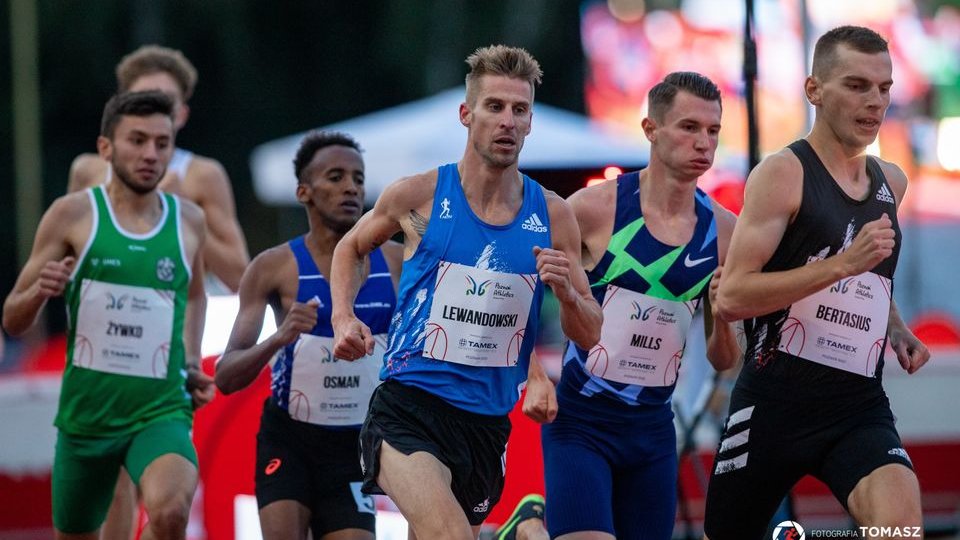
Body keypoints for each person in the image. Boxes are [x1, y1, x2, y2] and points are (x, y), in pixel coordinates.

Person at [329, 45, 602, 540]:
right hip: (409, 406)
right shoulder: (420, 196)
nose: (507, 122)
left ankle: (506, 533)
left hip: (486, 423)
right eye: (494, 107)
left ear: (531, 122)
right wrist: (343, 318)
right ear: (466, 114)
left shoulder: (554, 215)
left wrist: (566, 296)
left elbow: (590, 331)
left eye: (520, 110)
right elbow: (351, 248)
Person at [704, 26, 929, 539]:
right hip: (774, 403)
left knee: (900, 527)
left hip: (856, 403)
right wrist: (842, 265)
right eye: (856, 86)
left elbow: (868, 274)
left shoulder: (891, 181)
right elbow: (735, 295)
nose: (875, 102)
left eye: (884, 88)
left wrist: (894, 326)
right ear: (814, 91)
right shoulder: (782, 174)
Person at [498, 72, 741, 540]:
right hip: (581, 422)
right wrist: (531, 374)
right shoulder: (594, 208)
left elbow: (724, 359)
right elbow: (516, 288)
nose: (703, 144)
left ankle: (528, 533)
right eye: (689, 127)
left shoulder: (725, 233)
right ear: (651, 129)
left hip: (652, 432)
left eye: (713, 131)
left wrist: (725, 318)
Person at [2, 91, 214, 540]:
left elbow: (195, 296)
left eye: (162, 143)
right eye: (137, 140)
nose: (151, 154)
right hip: (88, 418)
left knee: (171, 511)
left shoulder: (189, 221)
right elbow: (12, 319)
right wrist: (41, 292)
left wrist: (191, 359)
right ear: (106, 148)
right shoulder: (73, 214)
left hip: (161, 410)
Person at [214, 131, 402, 540]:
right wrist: (278, 338)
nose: (351, 186)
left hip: (356, 445)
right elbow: (226, 376)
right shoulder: (273, 268)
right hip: (290, 440)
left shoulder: (396, 261)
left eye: (358, 177)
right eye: (335, 177)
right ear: (304, 191)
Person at [68, 44, 249, 293]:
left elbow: (239, 277)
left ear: (182, 115)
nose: (153, 107)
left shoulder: (202, 176)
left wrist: (181, 211)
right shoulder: (88, 171)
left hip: (172, 321)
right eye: (143, 98)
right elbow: (62, 265)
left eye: (166, 101)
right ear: (120, 106)